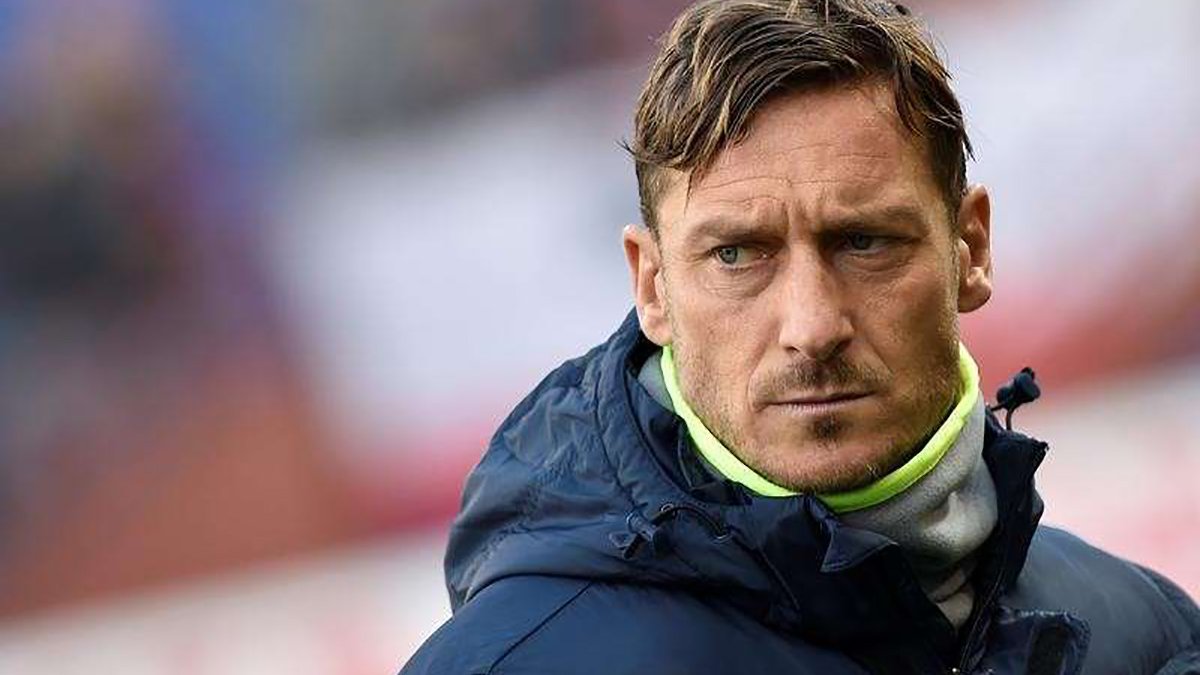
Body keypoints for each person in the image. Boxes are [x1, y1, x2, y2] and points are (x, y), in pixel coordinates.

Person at [401, 1, 1200, 673]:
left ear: (971, 249)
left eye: (864, 242)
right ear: (652, 287)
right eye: (737, 255)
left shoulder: (1147, 633)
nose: (813, 327)